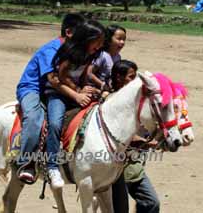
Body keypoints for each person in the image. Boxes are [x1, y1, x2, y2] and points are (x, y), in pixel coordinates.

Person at [15, 13, 85, 184]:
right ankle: (26, 162)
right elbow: (53, 80)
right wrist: (77, 93)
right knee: (34, 119)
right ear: (69, 32)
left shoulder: (72, 51)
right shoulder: (51, 49)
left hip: (52, 90)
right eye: (81, 34)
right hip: (33, 88)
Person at [44, 20, 105, 189]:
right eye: (97, 42)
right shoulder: (69, 53)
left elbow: (84, 74)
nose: (99, 46)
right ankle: (52, 166)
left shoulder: (90, 54)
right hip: (57, 93)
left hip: (76, 92)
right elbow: (61, 77)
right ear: (87, 39)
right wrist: (78, 92)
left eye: (102, 43)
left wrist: (87, 87)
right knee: (55, 123)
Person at [111, 60, 160, 213]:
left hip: (135, 168)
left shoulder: (137, 102)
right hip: (116, 172)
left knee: (151, 203)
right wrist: (144, 142)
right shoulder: (111, 101)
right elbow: (117, 134)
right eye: (131, 77)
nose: (135, 82)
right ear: (119, 78)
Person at [85, 24, 126, 94]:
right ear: (109, 40)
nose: (122, 42)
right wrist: (103, 85)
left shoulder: (118, 56)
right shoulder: (102, 55)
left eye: (124, 39)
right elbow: (89, 73)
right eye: (119, 39)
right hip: (95, 89)